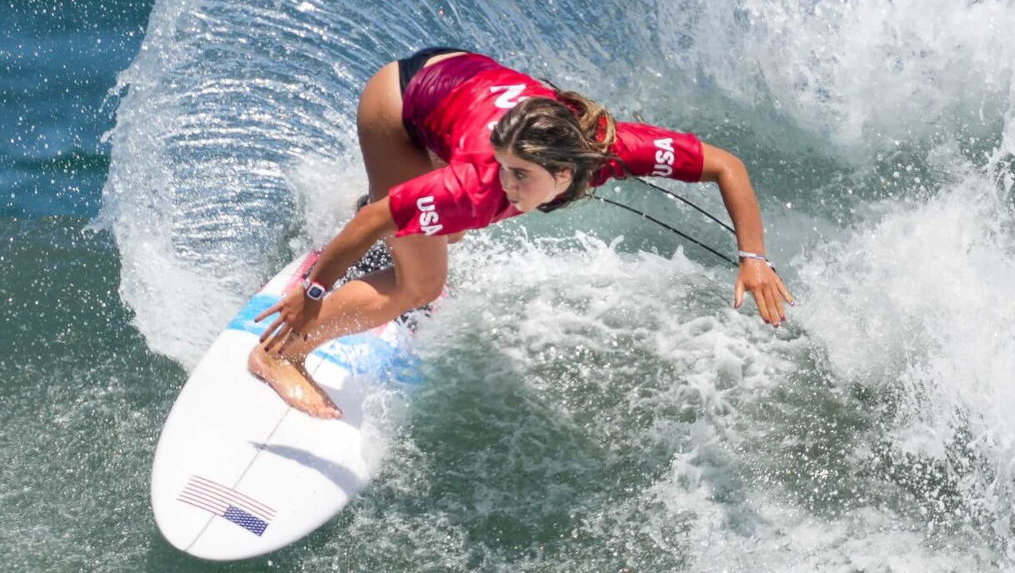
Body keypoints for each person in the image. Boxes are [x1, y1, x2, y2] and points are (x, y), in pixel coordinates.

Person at [249, 48, 793, 418]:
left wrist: (753, 257)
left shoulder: (612, 147)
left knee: (438, 230)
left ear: (566, 173)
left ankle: (397, 215)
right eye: (503, 167)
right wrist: (313, 294)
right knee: (421, 285)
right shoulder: (476, 184)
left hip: (457, 75)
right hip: (398, 102)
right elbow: (375, 221)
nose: (507, 186)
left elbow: (726, 166)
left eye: (522, 176)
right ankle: (281, 353)